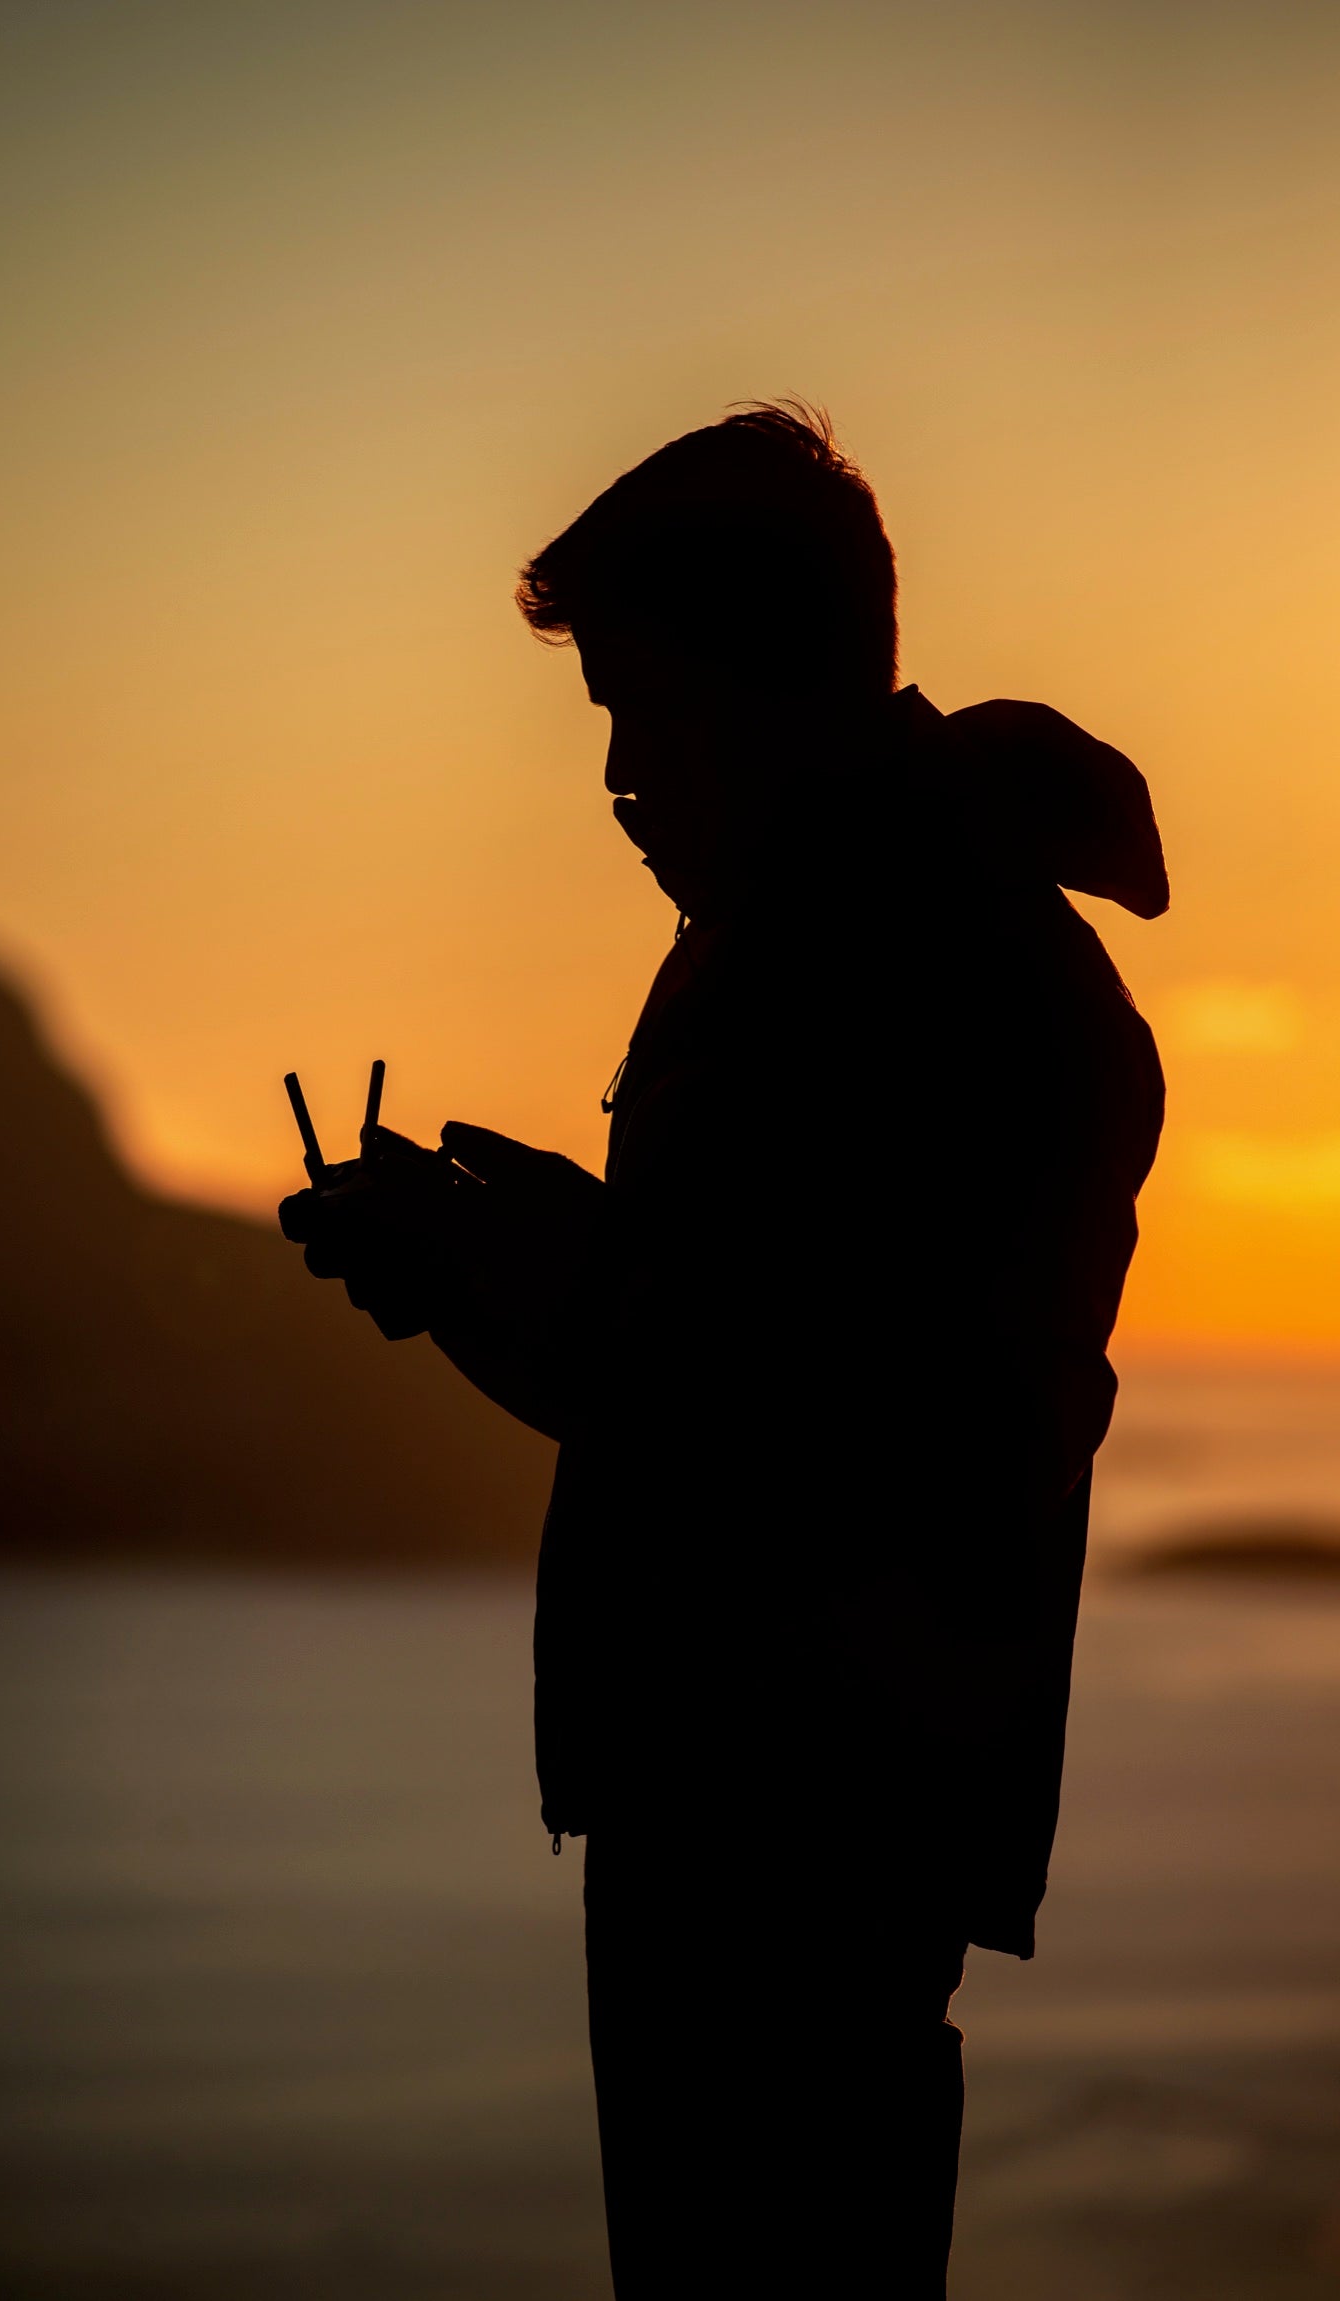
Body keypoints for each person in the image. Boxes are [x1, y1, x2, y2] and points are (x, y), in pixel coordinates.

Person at [279, 404, 1167, 2296]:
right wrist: (499, 1266)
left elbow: (777, 1410)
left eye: (635, 706)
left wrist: (516, 1264)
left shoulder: (912, 969)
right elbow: (712, 1364)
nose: (613, 778)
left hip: (796, 1840)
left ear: (766, 683)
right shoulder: (858, 939)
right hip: (789, 1822)